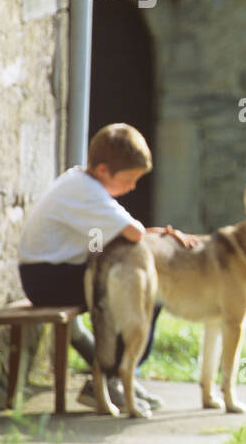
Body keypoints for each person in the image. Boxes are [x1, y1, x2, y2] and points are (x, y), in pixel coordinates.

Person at [17, 123, 198, 413]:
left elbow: (119, 234)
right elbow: (135, 233)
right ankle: (117, 377)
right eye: (129, 180)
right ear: (103, 170)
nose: (132, 187)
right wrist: (153, 234)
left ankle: (117, 376)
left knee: (131, 286)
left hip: (48, 273)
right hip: (48, 279)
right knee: (140, 292)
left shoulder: (79, 181)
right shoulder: (86, 191)